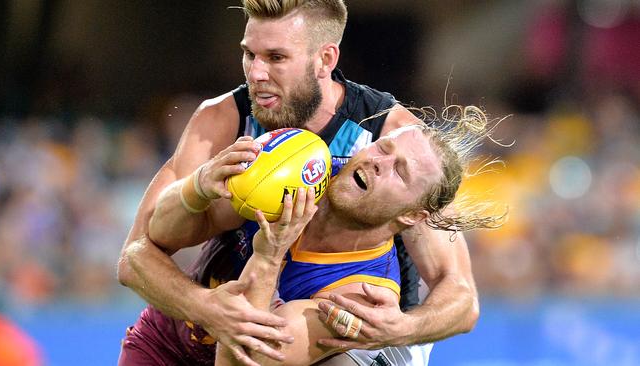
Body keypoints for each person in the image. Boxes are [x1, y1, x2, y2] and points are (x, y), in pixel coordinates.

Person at [117, 1, 479, 365]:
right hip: (215, 317)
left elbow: (461, 300)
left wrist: (402, 328)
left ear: (325, 59)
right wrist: (205, 306)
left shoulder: (392, 141)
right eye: (249, 55)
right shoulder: (223, 119)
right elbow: (136, 256)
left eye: (275, 58)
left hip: (354, 329)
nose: (256, 73)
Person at [212, 112, 503, 365]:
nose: (379, 162)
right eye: (382, 148)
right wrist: (199, 185)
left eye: (399, 172)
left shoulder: (362, 297)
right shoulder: (302, 168)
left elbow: (244, 358)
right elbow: (169, 231)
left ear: (413, 217)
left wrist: (267, 257)